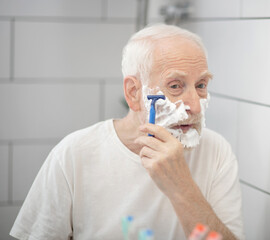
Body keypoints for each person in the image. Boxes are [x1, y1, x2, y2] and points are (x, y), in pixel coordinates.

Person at [10, 24, 244, 240]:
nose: (194, 106)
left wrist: (181, 185)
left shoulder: (216, 152)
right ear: (134, 93)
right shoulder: (74, 154)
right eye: (175, 86)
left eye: (201, 85)